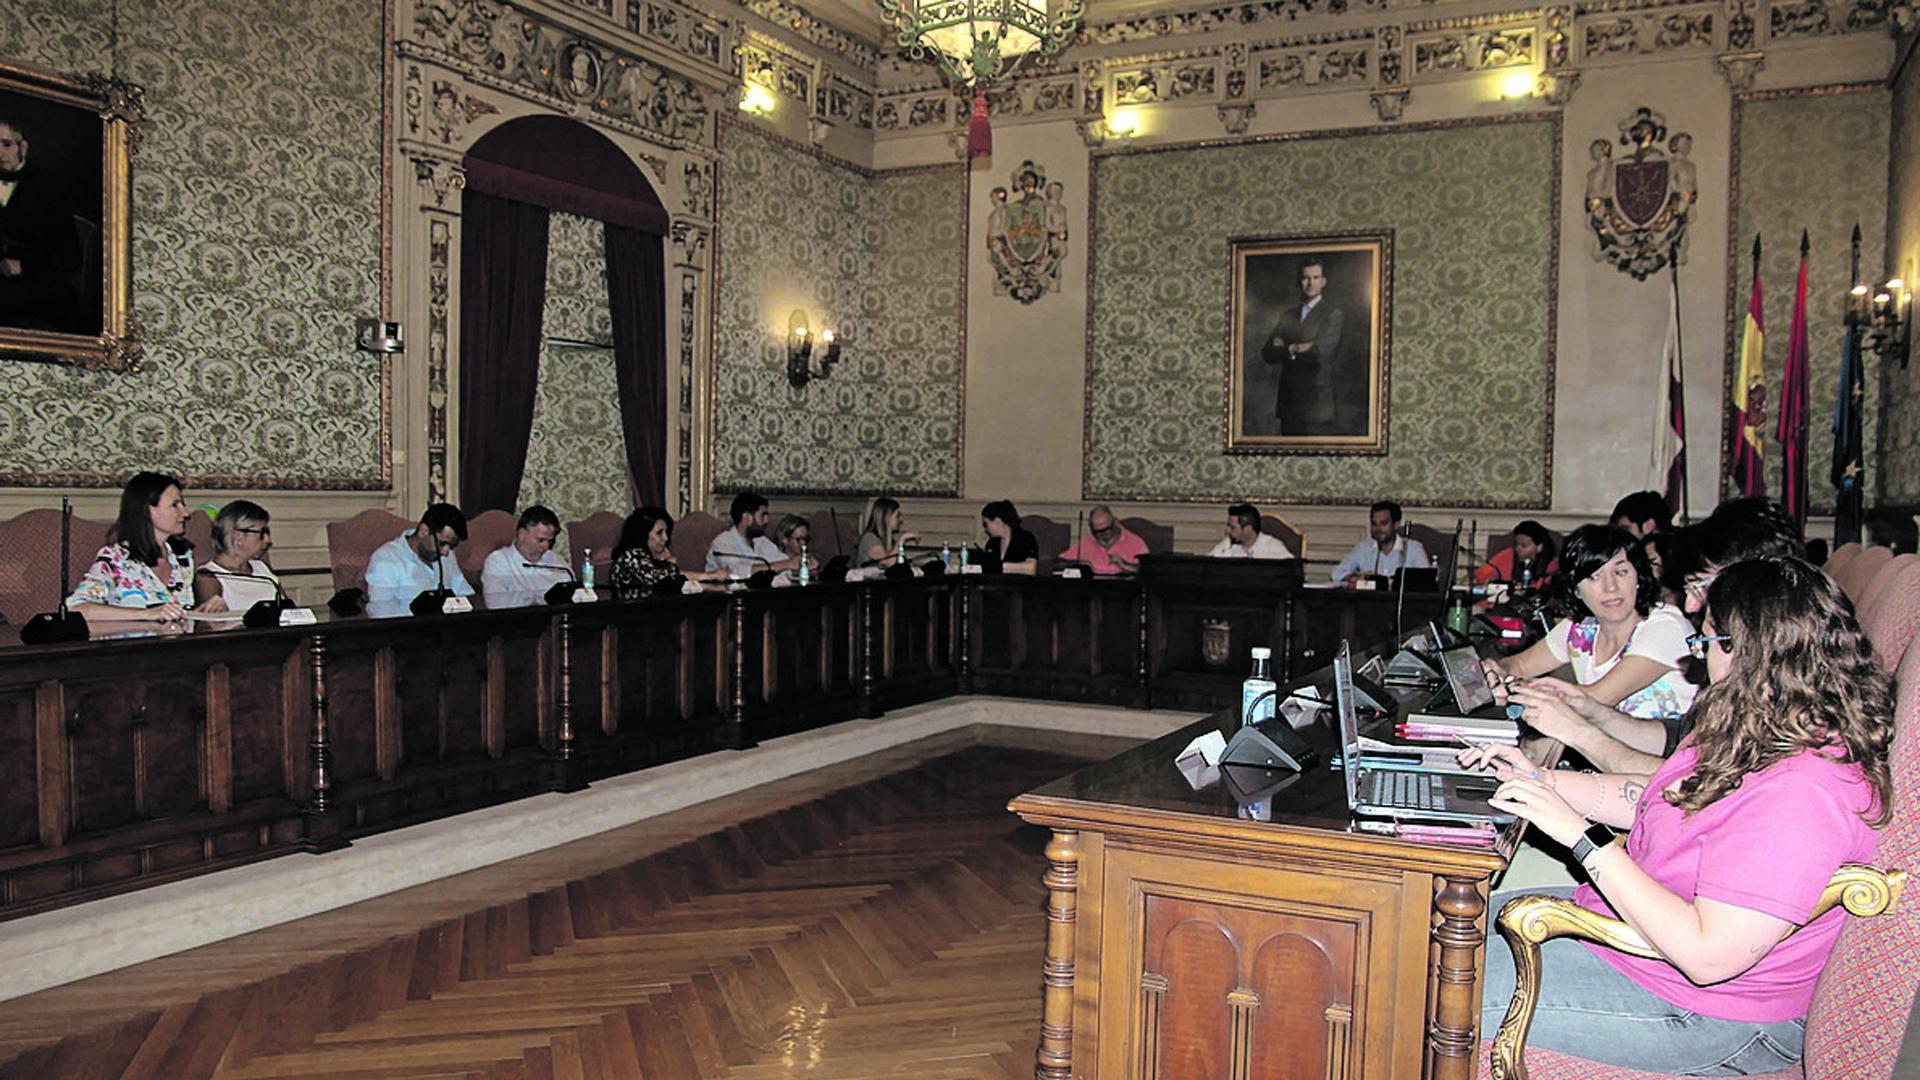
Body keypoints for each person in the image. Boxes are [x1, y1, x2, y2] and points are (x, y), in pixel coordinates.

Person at [1469, 558, 1893, 1074]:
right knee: (1436, 929)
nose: (1699, 655)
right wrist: (1537, 783)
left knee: (1429, 983)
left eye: (1708, 641)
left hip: (1705, 1010)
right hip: (1640, 946)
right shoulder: (1753, 718)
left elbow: (1707, 955)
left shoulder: (1808, 790)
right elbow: (1662, 797)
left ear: (1748, 651)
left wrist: (1580, 838)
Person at [1503, 497, 1807, 775]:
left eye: (1700, 586)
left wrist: (1561, 757)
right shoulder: (1754, 681)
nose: (1691, 606)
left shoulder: (1791, 707)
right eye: (1594, 577)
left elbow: (1689, 784)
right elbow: (1679, 740)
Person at [1488, 524, 1695, 720]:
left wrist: (1515, 688)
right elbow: (1521, 664)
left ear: (1638, 578)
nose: (1610, 587)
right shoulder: (1583, 628)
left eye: (1621, 572)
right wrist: (1498, 672)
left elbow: (1596, 699)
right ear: (1576, 589)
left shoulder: (1665, 627)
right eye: (1594, 577)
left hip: (1667, 755)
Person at [66, 471, 195, 626]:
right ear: (147, 510)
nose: (185, 513)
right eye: (175, 505)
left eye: (183, 504)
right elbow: (76, 608)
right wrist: (146, 614)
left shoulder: (182, 557)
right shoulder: (116, 558)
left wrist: (207, 610)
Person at [0, 116, 85, 334]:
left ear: (23, 148)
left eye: (6, 144)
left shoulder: (47, 189)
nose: (0, 153)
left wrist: (24, 266)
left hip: (36, 288)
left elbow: (71, 257)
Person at [1260, 259, 1344, 434]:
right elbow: (1268, 353)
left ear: (1323, 281)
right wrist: (1295, 348)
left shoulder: (1331, 314)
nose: (1310, 283)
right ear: (1300, 281)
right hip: (1289, 403)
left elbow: (1319, 353)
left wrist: (1285, 348)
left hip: (1315, 404)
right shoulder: (1288, 315)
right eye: (1306, 278)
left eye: (1315, 277)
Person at [365, 503, 474, 607]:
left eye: (451, 546)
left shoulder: (448, 557)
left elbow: (464, 596)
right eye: (442, 543)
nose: (446, 552)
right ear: (424, 531)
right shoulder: (386, 560)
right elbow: (383, 616)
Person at [611, 506, 725, 596]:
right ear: (643, 534)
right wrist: (669, 564)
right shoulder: (630, 556)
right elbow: (661, 578)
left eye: (666, 532)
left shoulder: (647, 556)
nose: (665, 538)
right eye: (659, 533)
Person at [193, 500, 279, 614]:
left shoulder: (261, 568)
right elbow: (211, 622)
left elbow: (288, 609)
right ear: (237, 536)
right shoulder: (208, 576)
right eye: (262, 533)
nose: (268, 540)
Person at [480, 506, 567, 610]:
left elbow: (574, 596)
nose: (546, 546)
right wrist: (537, 599)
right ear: (521, 534)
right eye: (541, 540)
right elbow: (495, 605)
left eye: (549, 541)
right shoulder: (498, 561)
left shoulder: (555, 560)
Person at [706, 492, 808, 576]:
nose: (766, 520)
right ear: (746, 518)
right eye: (763, 515)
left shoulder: (762, 541)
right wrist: (786, 564)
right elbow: (737, 572)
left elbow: (783, 564)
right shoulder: (722, 542)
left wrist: (802, 564)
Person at [1330, 501, 1428, 581]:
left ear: (1396, 524)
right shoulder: (1364, 547)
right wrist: (1357, 578)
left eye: (1383, 524)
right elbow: (1336, 573)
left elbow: (1426, 579)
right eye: (1374, 524)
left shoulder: (1413, 548)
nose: (1378, 529)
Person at [1059, 505, 1148, 575]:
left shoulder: (1135, 543)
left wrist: (1125, 565)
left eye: (1107, 530)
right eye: (1097, 532)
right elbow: (1058, 564)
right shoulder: (1086, 542)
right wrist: (1077, 563)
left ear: (1116, 522)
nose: (1103, 535)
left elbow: (1150, 572)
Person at [1473, 520, 1557, 587]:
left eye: (1524, 546)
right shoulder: (1508, 555)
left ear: (1539, 547)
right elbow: (1483, 573)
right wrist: (1474, 579)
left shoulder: (1552, 564)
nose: (1518, 549)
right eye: (1516, 544)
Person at [1207, 503, 1294, 559]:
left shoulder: (1274, 548)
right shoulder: (1228, 545)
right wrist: (1225, 544)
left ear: (1248, 529)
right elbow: (1208, 566)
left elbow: (1292, 572)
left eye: (1232, 527)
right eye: (1228, 526)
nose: (1227, 530)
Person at [855, 497, 917, 568]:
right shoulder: (869, 538)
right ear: (886, 517)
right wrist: (902, 538)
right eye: (897, 516)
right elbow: (889, 562)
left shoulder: (889, 540)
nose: (901, 520)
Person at [980, 500, 1038, 575]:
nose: (986, 528)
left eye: (986, 524)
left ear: (997, 521)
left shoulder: (1026, 539)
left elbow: (1031, 568)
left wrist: (999, 567)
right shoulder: (992, 543)